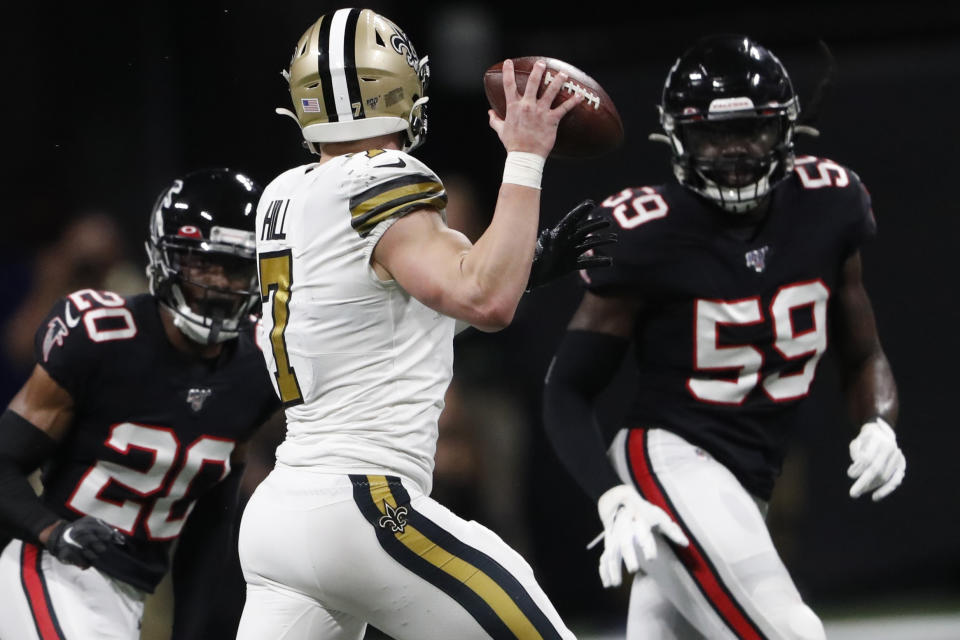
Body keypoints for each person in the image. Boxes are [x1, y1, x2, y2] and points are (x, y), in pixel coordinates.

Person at [237, 8, 613, 640]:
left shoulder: (285, 194)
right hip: (361, 503)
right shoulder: (385, 178)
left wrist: (526, 266)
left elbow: (379, 321)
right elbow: (486, 302)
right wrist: (525, 156)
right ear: (398, 88)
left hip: (281, 511)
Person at [542, 35, 906, 640]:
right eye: (714, 134)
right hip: (667, 462)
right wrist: (613, 496)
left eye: (752, 132)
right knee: (792, 631)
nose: (734, 152)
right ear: (678, 138)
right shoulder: (645, 233)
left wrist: (878, 422)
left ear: (786, 131)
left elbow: (862, 351)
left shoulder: (830, 204)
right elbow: (566, 390)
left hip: (748, 479)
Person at [0, 168, 281, 640]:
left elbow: (210, 521)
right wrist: (54, 531)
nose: (218, 284)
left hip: (129, 595)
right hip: (47, 568)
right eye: (201, 263)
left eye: (233, 268)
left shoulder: (255, 369)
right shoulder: (101, 339)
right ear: (165, 259)